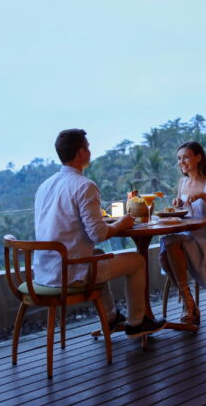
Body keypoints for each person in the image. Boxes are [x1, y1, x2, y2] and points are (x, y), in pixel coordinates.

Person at [34, 128, 165, 338]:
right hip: (71, 273)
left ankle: (110, 318)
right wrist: (122, 223)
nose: (89, 151)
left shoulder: (45, 186)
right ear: (81, 152)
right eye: (88, 148)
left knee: (97, 255)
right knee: (138, 261)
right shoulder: (84, 186)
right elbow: (98, 234)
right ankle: (137, 322)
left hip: (46, 270)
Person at [160, 141, 206, 325]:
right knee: (166, 244)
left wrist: (205, 197)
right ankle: (189, 302)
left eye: (186, 157)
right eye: (179, 158)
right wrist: (178, 205)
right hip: (188, 235)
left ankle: (188, 304)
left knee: (170, 244)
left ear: (198, 158)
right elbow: (184, 213)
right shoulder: (182, 182)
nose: (181, 162)